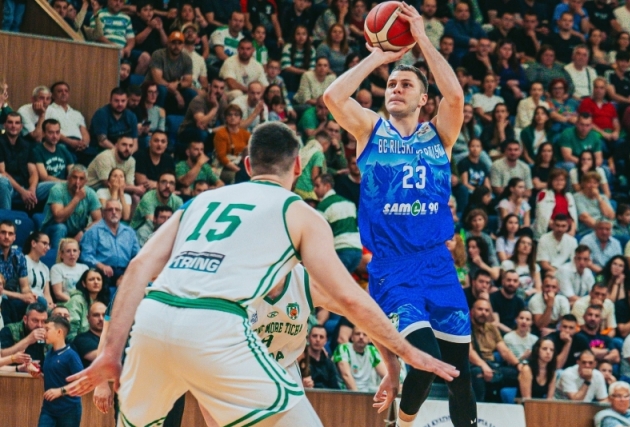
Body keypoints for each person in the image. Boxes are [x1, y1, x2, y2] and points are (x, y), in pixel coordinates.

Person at [69, 122, 460, 426]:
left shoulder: (202, 200)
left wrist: (110, 352)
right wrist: (408, 352)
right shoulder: (299, 211)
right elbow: (348, 296)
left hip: (153, 321)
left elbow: (138, 267)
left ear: (247, 166)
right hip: (216, 326)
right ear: (298, 166)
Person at [322, 3, 477, 424]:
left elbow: (455, 96)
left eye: (406, 84)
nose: (395, 88)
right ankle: (403, 423)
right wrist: (379, 56)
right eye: (391, 84)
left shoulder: (439, 135)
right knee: (423, 363)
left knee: (459, 375)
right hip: (392, 268)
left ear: (423, 98)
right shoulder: (369, 129)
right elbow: (332, 97)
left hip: (438, 264)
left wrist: (422, 39)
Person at [79, 200, 140, 289]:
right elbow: (85, 255)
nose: (114, 212)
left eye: (117, 210)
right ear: (103, 213)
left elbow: (137, 255)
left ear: (121, 213)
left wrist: (128, 272)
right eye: (110, 210)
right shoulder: (93, 231)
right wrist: (102, 266)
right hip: (102, 273)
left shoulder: (129, 232)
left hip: (125, 272)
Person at [38, 316, 83, 427]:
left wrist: (60, 391)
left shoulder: (71, 356)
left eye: (47, 329)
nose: (44, 333)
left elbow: (81, 381)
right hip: (49, 408)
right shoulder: (49, 354)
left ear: (59, 332)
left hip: (69, 410)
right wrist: (39, 374)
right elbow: (55, 378)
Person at [312, 174, 362, 273]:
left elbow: (317, 233)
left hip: (341, 250)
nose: (314, 189)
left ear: (327, 186)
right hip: (357, 251)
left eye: (317, 186)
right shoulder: (349, 203)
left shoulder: (323, 206)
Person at [332, 325, 387, 392]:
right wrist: (358, 396)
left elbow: (385, 375)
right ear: (352, 337)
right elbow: (346, 375)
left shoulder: (372, 350)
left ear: (370, 339)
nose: (361, 337)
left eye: (365, 334)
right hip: (346, 392)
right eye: (357, 334)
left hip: (366, 391)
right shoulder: (343, 348)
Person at [64, 269, 110, 336]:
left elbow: (109, 320)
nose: (96, 282)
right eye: (91, 279)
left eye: (99, 279)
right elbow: (71, 330)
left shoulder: (105, 301)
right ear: (84, 283)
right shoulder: (76, 301)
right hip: (80, 339)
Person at [49, 239, 89, 304]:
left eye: (74, 251)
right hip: (66, 303)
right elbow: (58, 294)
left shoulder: (84, 268)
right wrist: (75, 302)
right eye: (68, 251)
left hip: (84, 302)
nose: (72, 254)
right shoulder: (56, 268)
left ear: (78, 253)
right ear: (61, 254)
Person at [71, 302, 106, 368]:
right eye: (96, 315)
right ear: (88, 318)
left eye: (104, 315)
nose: (101, 319)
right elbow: (102, 358)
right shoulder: (81, 340)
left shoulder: (113, 338)